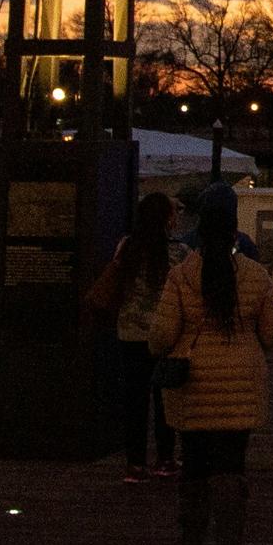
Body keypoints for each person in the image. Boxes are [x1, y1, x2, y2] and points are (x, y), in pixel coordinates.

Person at [147, 185, 273, 545]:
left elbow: (161, 336)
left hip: (192, 385)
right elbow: (271, 335)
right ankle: (228, 543)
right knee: (231, 465)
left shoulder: (181, 276)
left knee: (193, 462)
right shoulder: (256, 277)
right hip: (240, 385)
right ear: (235, 231)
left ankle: (192, 534)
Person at [79, 190, 182, 479]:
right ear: (166, 219)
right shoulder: (178, 252)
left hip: (129, 332)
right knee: (165, 399)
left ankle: (135, 463)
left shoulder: (127, 246)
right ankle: (165, 458)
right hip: (164, 333)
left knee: (135, 399)